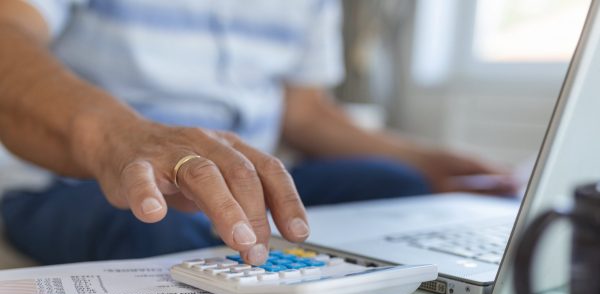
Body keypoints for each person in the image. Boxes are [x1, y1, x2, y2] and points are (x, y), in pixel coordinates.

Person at [0, 0, 510, 266]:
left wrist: (424, 161)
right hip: (77, 182)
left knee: (400, 185)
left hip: (245, 177)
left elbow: (306, 111)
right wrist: (118, 137)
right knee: (161, 229)